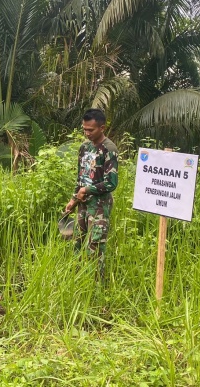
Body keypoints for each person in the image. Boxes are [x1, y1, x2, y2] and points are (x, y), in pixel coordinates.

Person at [64, 109, 118, 279]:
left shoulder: (109, 149)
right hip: (83, 203)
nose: (87, 133)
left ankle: (96, 287)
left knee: (95, 244)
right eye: (84, 129)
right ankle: (77, 279)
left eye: (91, 130)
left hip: (100, 205)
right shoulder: (84, 147)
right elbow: (81, 177)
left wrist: (86, 190)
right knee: (77, 241)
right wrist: (73, 199)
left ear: (102, 127)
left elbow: (111, 182)